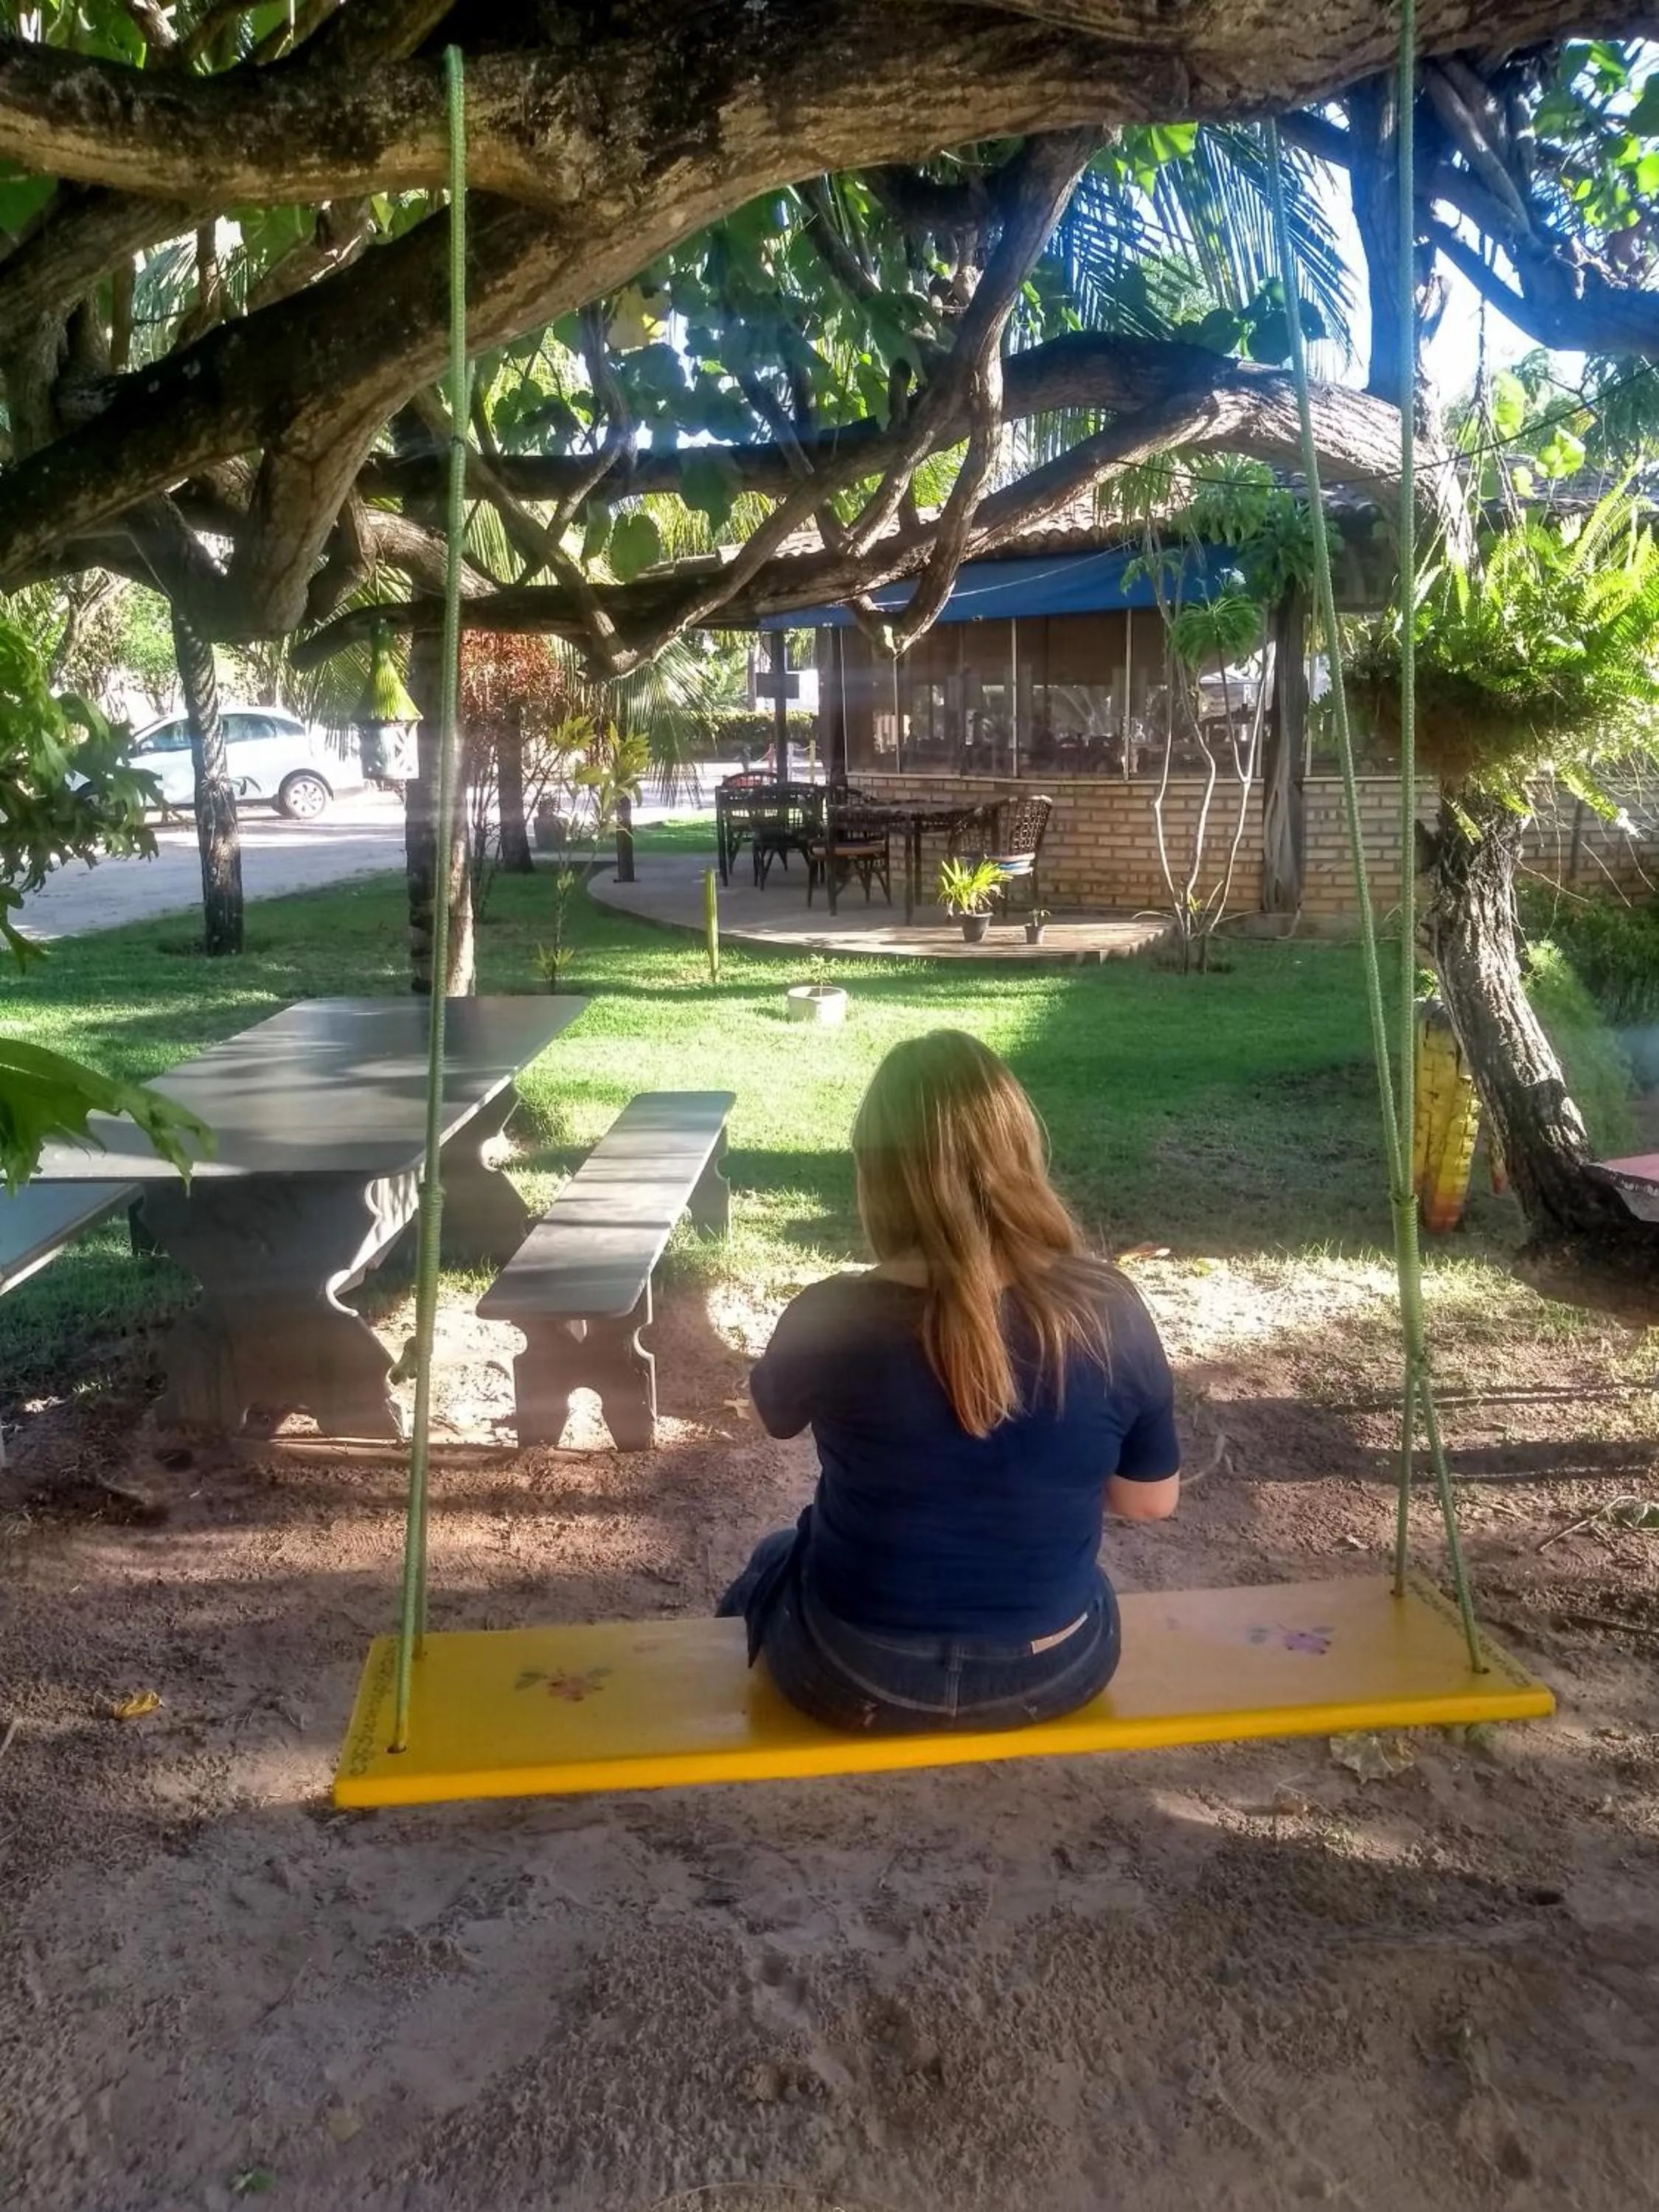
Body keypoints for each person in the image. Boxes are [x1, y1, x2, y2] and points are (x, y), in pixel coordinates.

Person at [719, 1029, 1180, 1734]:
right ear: (1018, 1156)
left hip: (854, 1672)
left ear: (876, 1174)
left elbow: (770, 1416)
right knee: (1080, 1592)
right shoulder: (1108, 1309)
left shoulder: (831, 1314)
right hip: (1053, 1670)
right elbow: (1148, 1503)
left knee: (773, 1558)